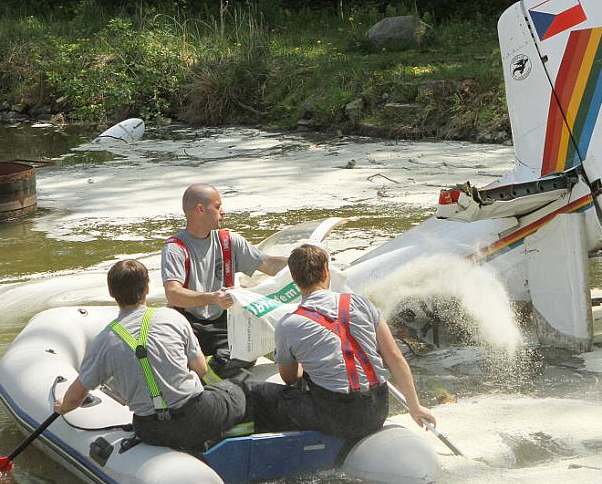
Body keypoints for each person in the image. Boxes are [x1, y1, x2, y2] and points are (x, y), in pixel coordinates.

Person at [54, 259, 250, 451]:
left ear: (112, 293)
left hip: (150, 428)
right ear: (147, 288)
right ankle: (230, 435)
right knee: (238, 390)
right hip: (196, 415)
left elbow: (75, 397)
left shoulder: (103, 341)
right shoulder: (173, 318)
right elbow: (201, 369)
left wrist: (62, 407)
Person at [247, 244, 436, 440]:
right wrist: (415, 407)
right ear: (325, 271)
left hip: (336, 417)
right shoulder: (361, 303)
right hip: (378, 409)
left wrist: (305, 361)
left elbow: (290, 378)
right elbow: (394, 357)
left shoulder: (287, 325)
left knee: (260, 395)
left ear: (294, 280)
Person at [161, 183, 287, 379]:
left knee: (248, 349)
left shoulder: (229, 241)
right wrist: (213, 298)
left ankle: (212, 379)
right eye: (218, 206)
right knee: (169, 353)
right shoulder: (175, 248)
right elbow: (173, 294)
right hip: (188, 323)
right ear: (200, 210)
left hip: (224, 321)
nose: (223, 212)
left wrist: (304, 262)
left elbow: (268, 264)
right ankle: (203, 383)